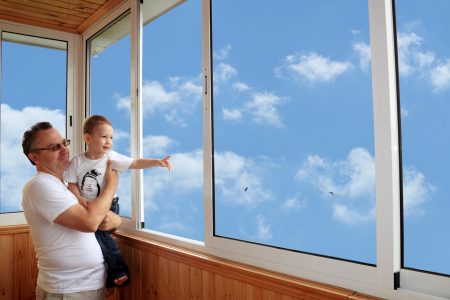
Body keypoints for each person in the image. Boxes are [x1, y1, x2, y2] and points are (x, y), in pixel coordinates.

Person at [64, 115, 172, 289]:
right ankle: (106, 277)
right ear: (87, 138)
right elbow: (72, 183)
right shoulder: (77, 161)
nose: (108, 142)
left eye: (111, 138)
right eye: (104, 137)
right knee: (92, 242)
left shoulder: (111, 158)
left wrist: (157, 162)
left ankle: (118, 270)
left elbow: (135, 162)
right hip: (86, 207)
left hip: (108, 205)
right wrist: (79, 199)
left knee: (101, 235)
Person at [22, 121, 120, 299]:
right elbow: (90, 222)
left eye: (64, 143)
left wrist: (117, 221)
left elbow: (99, 216)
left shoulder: (69, 186)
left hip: (92, 284)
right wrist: (112, 184)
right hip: (66, 290)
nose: (64, 150)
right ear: (34, 157)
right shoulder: (40, 186)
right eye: (54, 147)